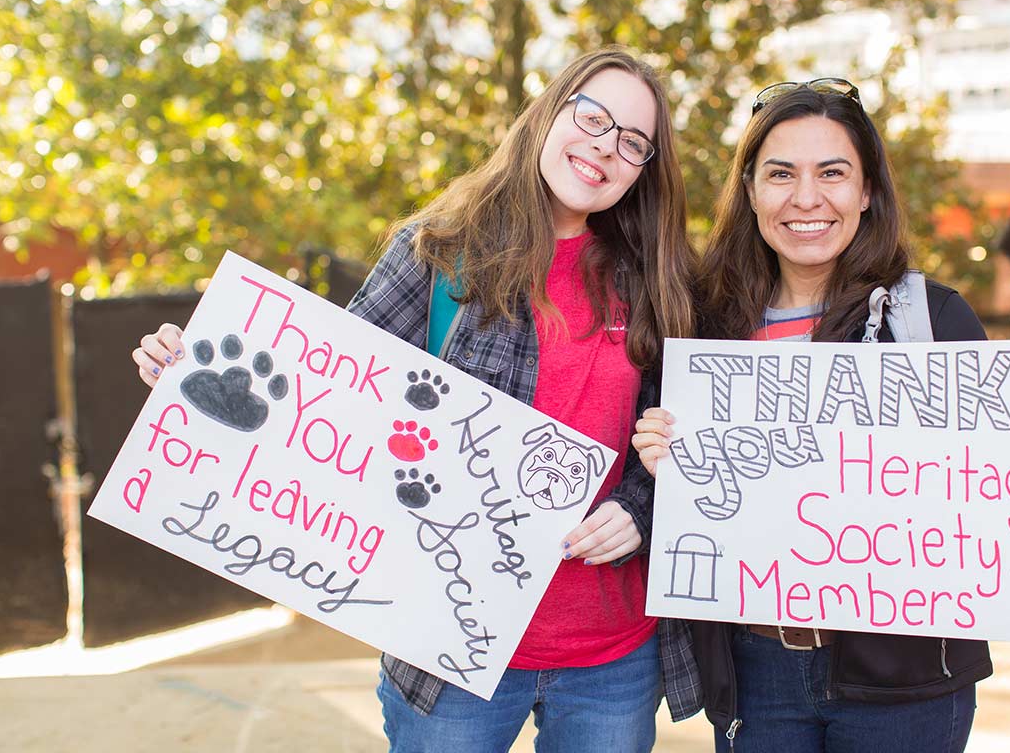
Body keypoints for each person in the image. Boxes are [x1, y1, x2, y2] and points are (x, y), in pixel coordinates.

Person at [131, 47, 704, 752]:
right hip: (446, 643)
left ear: (645, 170)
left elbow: (675, 440)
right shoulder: (438, 252)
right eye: (592, 116)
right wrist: (188, 378)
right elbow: (323, 398)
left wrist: (639, 510)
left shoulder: (657, 282)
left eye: (632, 142)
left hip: (610, 656)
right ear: (549, 114)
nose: (604, 147)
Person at [630, 79, 1010, 753]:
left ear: (867, 192)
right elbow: (691, 504)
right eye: (781, 174)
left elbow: (993, 490)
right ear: (750, 192)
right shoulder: (704, 329)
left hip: (906, 681)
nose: (807, 198)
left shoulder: (933, 319)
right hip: (756, 671)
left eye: (833, 173)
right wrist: (666, 457)